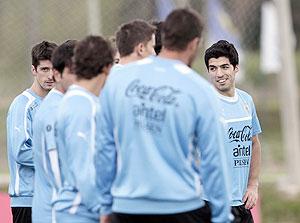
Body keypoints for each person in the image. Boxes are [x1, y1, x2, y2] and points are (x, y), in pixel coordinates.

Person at [95, 8, 232, 223]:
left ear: (163, 38)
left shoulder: (117, 81)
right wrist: (222, 217)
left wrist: (104, 205)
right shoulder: (201, 90)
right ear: (194, 43)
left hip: (126, 206)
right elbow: (214, 161)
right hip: (181, 206)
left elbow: (104, 148)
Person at [53, 36, 114, 223]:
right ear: (106, 67)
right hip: (80, 212)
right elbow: (85, 167)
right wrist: (103, 210)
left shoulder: (75, 100)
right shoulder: (83, 107)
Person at [204, 40, 262, 223]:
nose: (219, 74)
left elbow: (254, 143)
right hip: (212, 203)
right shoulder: (204, 103)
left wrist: (253, 185)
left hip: (242, 203)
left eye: (224, 67)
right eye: (213, 68)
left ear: (236, 68)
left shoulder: (246, 101)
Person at [6, 40, 57, 223]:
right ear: (34, 70)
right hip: (27, 201)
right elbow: (20, 151)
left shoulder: (56, 104)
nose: (50, 75)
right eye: (44, 69)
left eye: (54, 69)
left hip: (51, 199)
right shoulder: (23, 105)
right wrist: (58, 159)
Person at [32, 40, 77, 223]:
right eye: (75, 72)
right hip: (54, 212)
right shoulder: (54, 110)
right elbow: (56, 172)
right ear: (59, 74)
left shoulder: (63, 104)